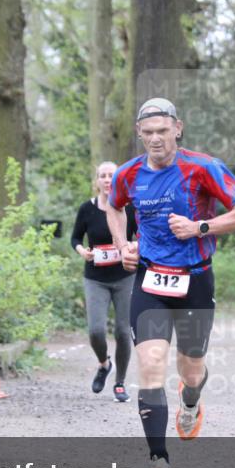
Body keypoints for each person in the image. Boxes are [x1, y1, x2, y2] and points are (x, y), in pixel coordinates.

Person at [107, 98, 235, 468]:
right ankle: (159, 462)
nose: (156, 139)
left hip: (195, 280)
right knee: (151, 364)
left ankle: (191, 402)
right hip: (150, 280)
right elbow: (113, 207)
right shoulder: (127, 174)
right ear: (140, 133)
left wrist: (201, 227)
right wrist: (123, 246)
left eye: (163, 131)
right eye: (148, 132)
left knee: (190, 370)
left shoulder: (203, 167)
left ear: (178, 129)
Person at [70, 161, 138, 402]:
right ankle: (103, 364)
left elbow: (142, 236)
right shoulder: (86, 209)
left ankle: (120, 383)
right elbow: (75, 237)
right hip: (95, 278)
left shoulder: (129, 208)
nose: (108, 180)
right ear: (96, 181)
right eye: (103, 176)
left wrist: (134, 246)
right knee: (96, 331)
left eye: (113, 175)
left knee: (122, 331)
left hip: (125, 277)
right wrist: (82, 251)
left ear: (120, 179)